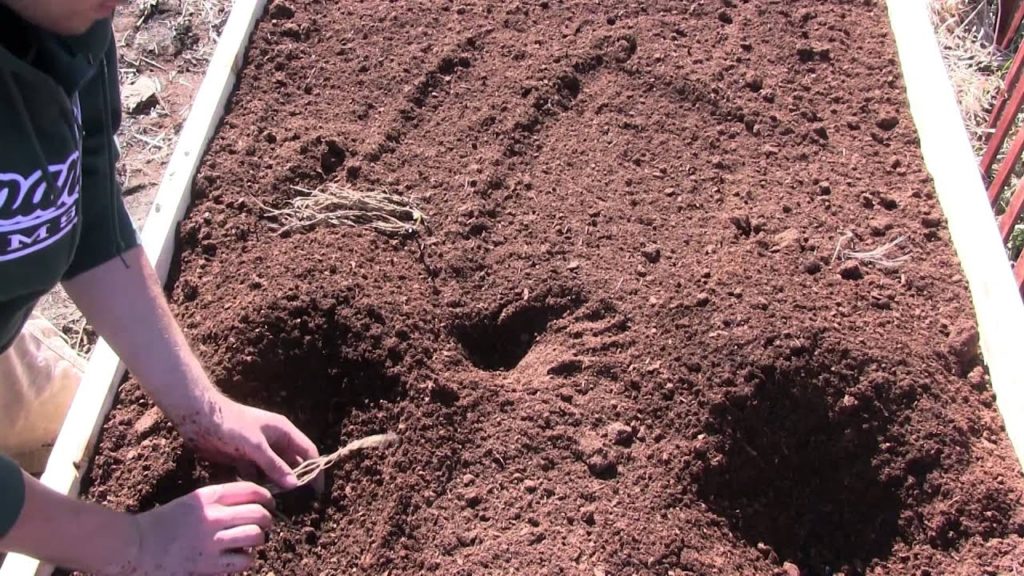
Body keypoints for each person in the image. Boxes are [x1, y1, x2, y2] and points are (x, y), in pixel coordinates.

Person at [0, 0, 320, 573]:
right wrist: (133, 545)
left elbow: (86, 203)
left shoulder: (66, 22)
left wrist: (203, 408)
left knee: (66, 430)